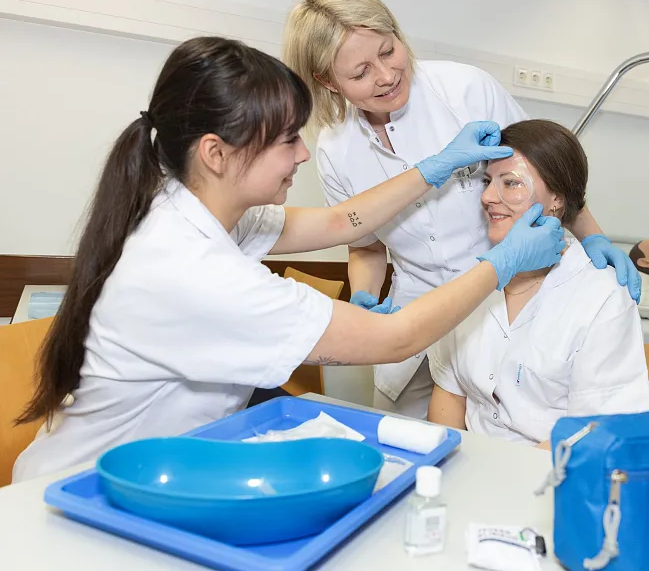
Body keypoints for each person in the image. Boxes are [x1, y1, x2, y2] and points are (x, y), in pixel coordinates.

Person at [11, 37, 566, 482]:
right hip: (80, 491)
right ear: (217, 152)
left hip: (155, 471)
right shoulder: (190, 270)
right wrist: (505, 262)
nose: (303, 153)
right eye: (287, 140)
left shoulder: (190, 208)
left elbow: (337, 222)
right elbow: (396, 340)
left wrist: (436, 167)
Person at [283, 0, 640, 418]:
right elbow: (366, 244)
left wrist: (594, 238)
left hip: (505, 301)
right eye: (360, 73)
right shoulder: (335, 149)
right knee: (409, 449)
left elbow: (544, 172)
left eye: (389, 50)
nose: (386, 75)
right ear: (327, 81)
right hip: (416, 318)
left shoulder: (465, 90)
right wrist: (363, 296)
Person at [426, 120, 649, 448]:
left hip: (550, 477)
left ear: (557, 200)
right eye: (488, 181)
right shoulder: (473, 279)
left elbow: (592, 428)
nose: (489, 197)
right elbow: (448, 393)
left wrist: (501, 485)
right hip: (466, 467)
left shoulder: (600, 295)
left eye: (511, 183)